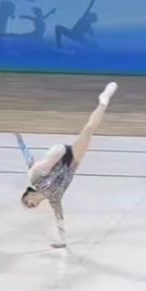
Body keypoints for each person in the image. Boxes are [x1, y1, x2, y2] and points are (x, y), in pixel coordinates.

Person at [19, 81, 117, 248]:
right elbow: (59, 219)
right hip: (72, 162)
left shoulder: (36, 181)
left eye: (26, 203)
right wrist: (62, 242)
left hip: (59, 157)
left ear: (28, 195)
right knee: (89, 130)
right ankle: (103, 101)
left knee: (39, 169)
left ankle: (54, 153)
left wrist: (19, 139)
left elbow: (28, 158)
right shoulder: (54, 200)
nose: (30, 206)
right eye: (30, 207)